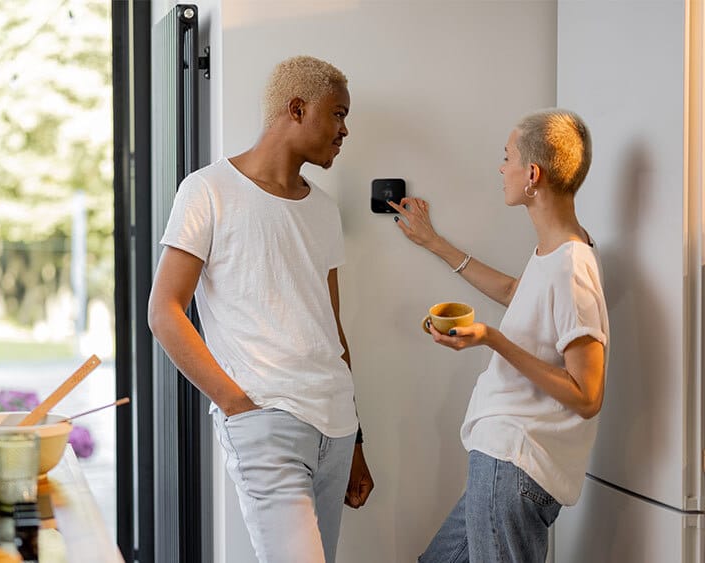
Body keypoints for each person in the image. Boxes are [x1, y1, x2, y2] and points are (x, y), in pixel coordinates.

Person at [147, 55, 374, 563]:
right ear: (296, 108)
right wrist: (236, 405)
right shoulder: (208, 191)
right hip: (266, 420)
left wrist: (357, 440)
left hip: (336, 426)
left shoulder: (323, 209)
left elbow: (332, 330)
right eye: (337, 114)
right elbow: (164, 311)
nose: (345, 130)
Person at [391, 109, 608, 562]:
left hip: (515, 463)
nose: (500, 167)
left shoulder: (572, 265)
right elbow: (516, 291)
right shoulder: (556, 250)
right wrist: (435, 243)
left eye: (506, 157)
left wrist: (492, 339)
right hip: (504, 461)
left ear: (532, 174)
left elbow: (587, 395)